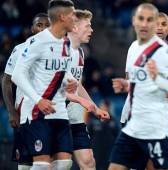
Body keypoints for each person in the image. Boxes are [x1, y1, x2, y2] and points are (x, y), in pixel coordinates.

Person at [108, 3, 168, 170]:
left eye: (149, 20)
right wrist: (126, 84)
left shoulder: (164, 52)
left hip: (155, 127)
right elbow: (138, 82)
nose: (144, 23)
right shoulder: (134, 48)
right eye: (141, 19)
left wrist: (158, 80)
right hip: (134, 125)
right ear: (134, 21)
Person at [11, 0, 78, 169]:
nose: (75, 19)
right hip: (37, 112)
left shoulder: (66, 43)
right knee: (41, 166)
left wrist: (70, 81)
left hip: (59, 110)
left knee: (64, 163)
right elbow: (17, 75)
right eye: (72, 15)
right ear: (62, 17)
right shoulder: (37, 42)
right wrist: (38, 100)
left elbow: (61, 71)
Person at [1, 13, 50, 170]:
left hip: (50, 114)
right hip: (25, 113)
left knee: (52, 162)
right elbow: (6, 81)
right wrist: (11, 111)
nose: (43, 29)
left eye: (47, 25)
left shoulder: (59, 52)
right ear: (32, 29)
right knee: (25, 164)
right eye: (39, 25)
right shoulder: (20, 49)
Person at [67, 9, 110, 170]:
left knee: (88, 162)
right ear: (75, 27)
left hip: (75, 116)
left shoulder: (79, 53)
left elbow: (78, 85)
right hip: (56, 116)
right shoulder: (58, 50)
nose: (91, 30)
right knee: (59, 164)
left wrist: (95, 109)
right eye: (88, 26)